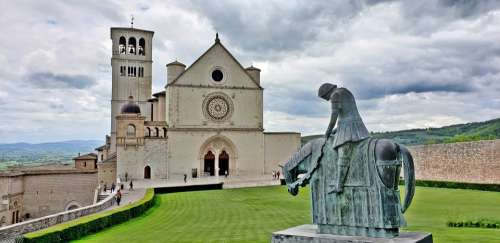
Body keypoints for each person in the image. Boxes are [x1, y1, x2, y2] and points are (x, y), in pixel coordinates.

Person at [318, 83, 369, 194]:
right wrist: (336, 130)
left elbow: (334, 117)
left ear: (327, 93)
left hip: (349, 129)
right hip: (357, 126)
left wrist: (327, 132)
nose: (327, 100)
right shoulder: (346, 91)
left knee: (343, 153)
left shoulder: (335, 95)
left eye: (325, 98)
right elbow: (347, 114)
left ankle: (339, 186)